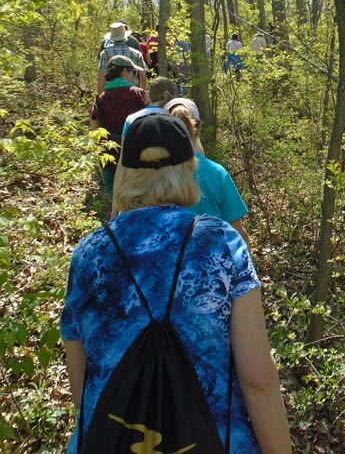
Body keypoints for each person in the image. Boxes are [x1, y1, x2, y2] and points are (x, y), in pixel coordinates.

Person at [60, 114, 292, 454]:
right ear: (190, 168)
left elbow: (80, 382)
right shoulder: (221, 243)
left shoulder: (90, 253)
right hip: (219, 440)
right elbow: (258, 380)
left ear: (124, 174)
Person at [164, 98, 251, 247]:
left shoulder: (150, 173)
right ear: (197, 128)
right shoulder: (216, 172)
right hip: (211, 262)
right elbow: (238, 233)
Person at [90, 55, 147, 196]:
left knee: (113, 195)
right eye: (133, 72)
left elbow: (95, 131)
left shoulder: (100, 99)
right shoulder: (139, 95)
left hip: (110, 157)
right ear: (124, 72)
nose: (134, 76)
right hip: (136, 156)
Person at [98, 22, 148, 94]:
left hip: (111, 93)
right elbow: (142, 74)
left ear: (112, 39)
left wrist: (100, 95)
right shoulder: (136, 53)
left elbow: (101, 75)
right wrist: (142, 94)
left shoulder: (105, 53)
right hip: (132, 93)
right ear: (125, 37)